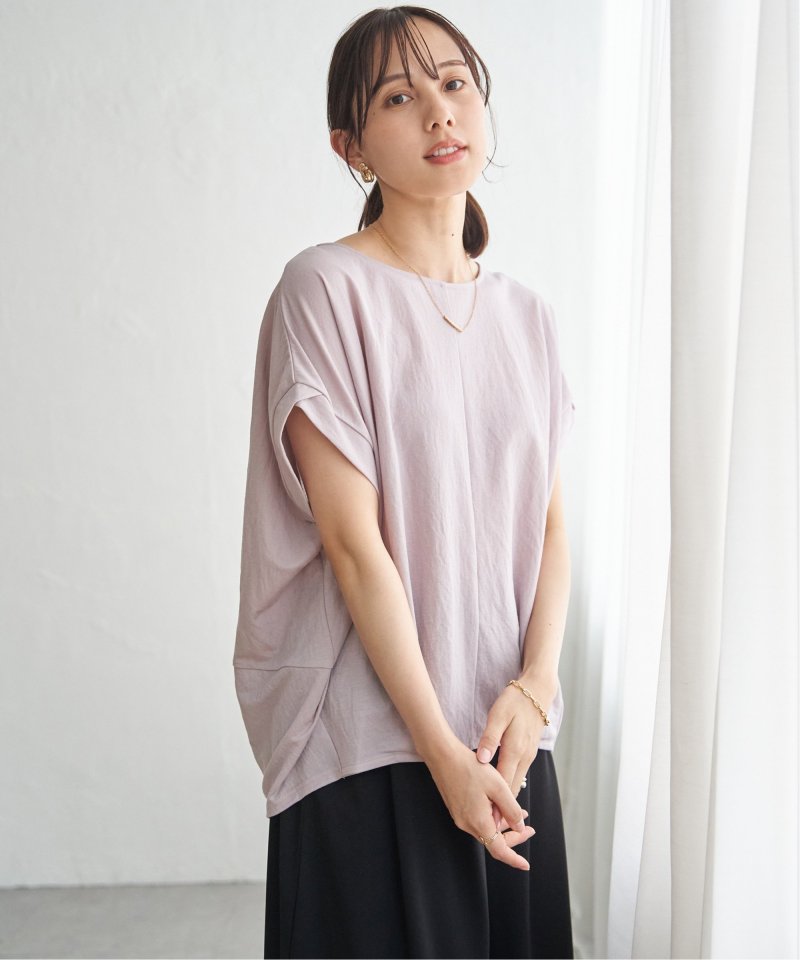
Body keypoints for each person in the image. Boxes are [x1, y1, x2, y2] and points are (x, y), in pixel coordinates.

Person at [233, 6, 577, 958]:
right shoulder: (323, 290)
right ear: (349, 146)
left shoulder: (529, 317)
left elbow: (551, 528)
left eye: (455, 83)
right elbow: (353, 547)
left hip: (507, 737)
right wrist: (440, 755)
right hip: (376, 744)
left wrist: (535, 688)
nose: (438, 111)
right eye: (398, 96)